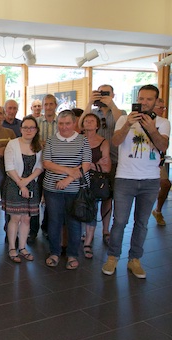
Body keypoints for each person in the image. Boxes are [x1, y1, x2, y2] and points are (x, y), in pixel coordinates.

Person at [102, 85, 170, 279]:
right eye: (141, 98)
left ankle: (135, 260)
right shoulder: (125, 118)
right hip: (125, 177)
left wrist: (151, 128)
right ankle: (113, 257)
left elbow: (163, 145)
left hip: (150, 179)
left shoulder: (163, 122)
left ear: (156, 101)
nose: (144, 102)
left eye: (149, 99)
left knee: (141, 222)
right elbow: (115, 142)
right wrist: (127, 125)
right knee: (120, 221)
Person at [42, 110, 92, 270]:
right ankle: (54, 252)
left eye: (67, 123)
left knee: (74, 223)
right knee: (54, 222)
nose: (64, 127)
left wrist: (68, 179)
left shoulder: (83, 140)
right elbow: (47, 163)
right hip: (52, 188)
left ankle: (72, 254)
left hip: (76, 189)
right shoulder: (51, 140)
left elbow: (86, 165)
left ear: (74, 123)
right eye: (61, 123)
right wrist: (69, 171)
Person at [79, 85, 126, 244]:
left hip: (115, 160)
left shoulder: (120, 112)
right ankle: (87, 229)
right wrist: (89, 103)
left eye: (106, 93)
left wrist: (111, 104)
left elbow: (123, 123)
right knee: (87, 196)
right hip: (93, 160)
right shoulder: (93, 113)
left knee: (108, 196)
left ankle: (106, 230)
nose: (103, 96)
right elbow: (81, 125)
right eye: (101, 92)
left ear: (113, 94)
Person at [3, 116, 43, 263]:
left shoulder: (38, 145)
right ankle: (12, 248)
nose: (28, 130)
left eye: (31, 127)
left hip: (31, 184)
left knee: (26, 218)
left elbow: (40, 167)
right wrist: (21, 184)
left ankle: (23, 247)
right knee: (15, 218)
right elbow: (9, 168)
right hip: (14, 183)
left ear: (36, 130)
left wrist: (27, 181)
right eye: (25, 127)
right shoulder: (12, 144)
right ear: (21, 129)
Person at [80, 113, 110, 259]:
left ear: (97, 125)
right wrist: (95, 164)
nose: (89, 123)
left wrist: (87, 165)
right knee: (76, 209)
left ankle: (88, 242)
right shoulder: (78, 140)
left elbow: (107, 167)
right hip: (77, 179)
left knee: (92, 210)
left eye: (92, 121)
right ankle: (77, 237)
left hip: (94, 182)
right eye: (86, 120)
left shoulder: (103, 142)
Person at [29, 94, 58, 242]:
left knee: (51, 199)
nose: (48, 107)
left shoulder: (61, 122)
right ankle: (33, 231)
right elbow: (30, 140)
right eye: (45, 104)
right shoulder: (37, 122)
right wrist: (40, 143)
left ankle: (46, 228)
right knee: (35, 198)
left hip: (55, 166)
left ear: (56, 105)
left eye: (51, 104)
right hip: (38, 165)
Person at [152, 98, 170, 226]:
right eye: (160, 108)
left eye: (164, 108)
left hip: (158, 159)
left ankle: (158, 210)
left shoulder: (164, 122)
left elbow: (164, 144)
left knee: (165, 184)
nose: (162, 110)